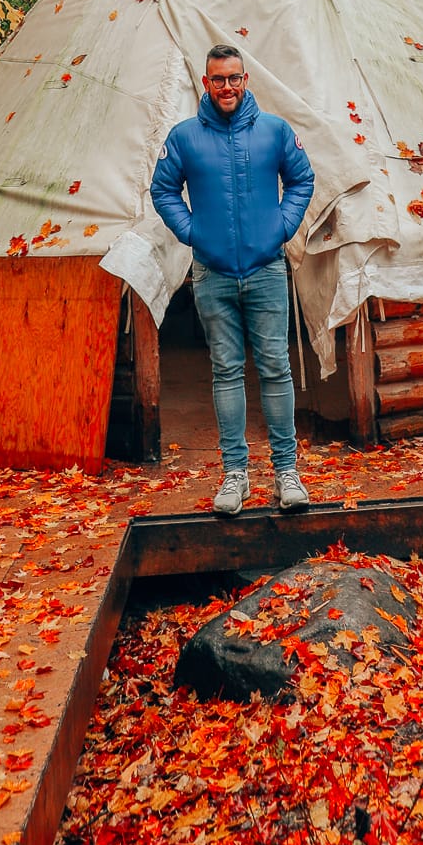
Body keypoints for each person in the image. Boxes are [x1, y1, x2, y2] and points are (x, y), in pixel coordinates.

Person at [150, 43, 315, 515]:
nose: (227, 87)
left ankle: (287, 472)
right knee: (226, 372)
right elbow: (163, 189)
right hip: (213, 272)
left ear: (246, 80)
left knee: (275, 369)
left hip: (265, 269)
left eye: (234, 78)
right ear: (206, 83)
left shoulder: (274, 131)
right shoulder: (183, 138)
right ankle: (236, 476)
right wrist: (192, 232)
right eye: (218, 79)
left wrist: (281, 228)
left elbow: (302, 179)